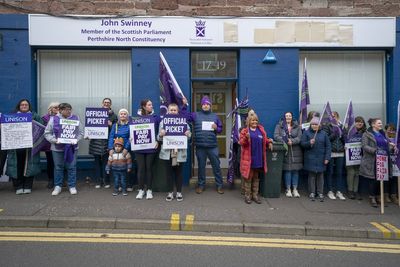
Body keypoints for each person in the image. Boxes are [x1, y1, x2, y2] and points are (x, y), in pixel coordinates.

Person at [187, 95, 224, 194]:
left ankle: (219, 185)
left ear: (210, 105)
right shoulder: (195, 115)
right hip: (200, 147)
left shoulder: (215, 116)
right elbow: (186, 117)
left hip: (213, 146)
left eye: (207, 104)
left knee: (216, 166)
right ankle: (201, 185)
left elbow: (220, 129)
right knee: (201, 167)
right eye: (204, 104)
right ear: (201, 105)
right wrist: (183, 105)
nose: (205, 106)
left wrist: (217, 127)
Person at [44, 103, 83, 196]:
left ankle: (72, 185)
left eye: (70, 109)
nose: (68, 111)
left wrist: (75, 140)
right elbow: (47, 133)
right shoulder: (53, 119)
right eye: (66, 109)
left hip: (72, 147)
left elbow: (81, 132)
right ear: (60, 110)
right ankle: (58, 186)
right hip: (57, 148)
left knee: (72, 166)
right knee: (58, 167)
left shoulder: (76, 118)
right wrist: (54, 140)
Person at [6, 99, 43, 194]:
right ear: (19, 106)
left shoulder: (35, 116)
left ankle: (27, 186)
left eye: (26, 104)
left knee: (29, 167)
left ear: (29, 106)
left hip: (30, 147)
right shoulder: (12, 116)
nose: (24, 106)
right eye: (22, 105)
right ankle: (18, 186)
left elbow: (41, 129)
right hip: (15, 148)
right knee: (16, 167)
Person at [158, 103, 191, 202]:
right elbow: (158, 138)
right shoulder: (163, 122)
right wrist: (161, 134)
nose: (172, 111)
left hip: (179, 152)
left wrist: (188, 134)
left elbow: (189, 136)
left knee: (178, 173)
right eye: (171, 110)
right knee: (168, 173)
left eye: (174, 110)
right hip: (167, 152)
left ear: (177, 111)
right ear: (168, 111)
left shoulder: (184, 122)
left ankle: (179, 192)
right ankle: (170, 192)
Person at [360, 118, 395, 207]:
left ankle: (379, 197)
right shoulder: (367, 134)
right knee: (373, 179)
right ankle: (372, 197)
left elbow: (386, 146)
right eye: (379, 123)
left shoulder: (383, 134)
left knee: (381, 179)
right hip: (372, 160)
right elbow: (364, 146)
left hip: (383, 160)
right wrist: (375, 151)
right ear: (373, 124)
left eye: (381, 123)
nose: (381, 124)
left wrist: (391, 147)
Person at [239, 113, 272, 204]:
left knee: (256, 177)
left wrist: (269, 142)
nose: (255, 122)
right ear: (249, 121)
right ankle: (247, 196)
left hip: (258, 157)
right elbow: (241, 142)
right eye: (253, 120)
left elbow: (264, 140)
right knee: (249, 177)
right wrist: (246, 138)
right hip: (249, 158)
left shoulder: (261, 130)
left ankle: (255, 195)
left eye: (256, 120)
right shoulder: (245, 131)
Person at [89, 98, 118, 189]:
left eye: (108, 103)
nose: (106, 104)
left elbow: (116, 130)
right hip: (96, 141)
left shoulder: (114, 116)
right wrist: (88, 133)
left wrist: (111, 125)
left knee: (107, 162)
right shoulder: (95, 114)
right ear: (102, 103)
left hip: (107, 141)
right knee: (97, 163)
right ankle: (98, 181)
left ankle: (106, 181)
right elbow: (90, 125)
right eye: (105, 102)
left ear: (110, 104)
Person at [301, 117, 331, 201]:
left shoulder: (324, 134)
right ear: (310, 125)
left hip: (321, 158)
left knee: (320, 176)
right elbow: (302, 144)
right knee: (312, 176)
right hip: (310, 158)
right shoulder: (306, 133)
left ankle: (320, 193)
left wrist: (327, 158)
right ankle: (312, 192)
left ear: (319, 125)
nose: (314, 126)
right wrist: (309, 143)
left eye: (316, 124)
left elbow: (328, 146)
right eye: (313, 124)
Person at [135, 99, 160, 200]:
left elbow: (159, 130)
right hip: (139, 148)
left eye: (151, 104)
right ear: (144, 107)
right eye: (149, 105)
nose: (151, 106)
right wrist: (132, 138)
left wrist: (158, 141)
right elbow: (133, 131)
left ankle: (149, 190)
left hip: (151, 147)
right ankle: (141, 190)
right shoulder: (136, 118)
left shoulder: (156, 118)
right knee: (141, 169)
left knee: (149, 168)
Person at [274, 112, 303, 198]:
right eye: (286, 116)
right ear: (284, 117)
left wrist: (292, 141)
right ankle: (288, 189)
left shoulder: (297, 127)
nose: (288, 117)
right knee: (287, 170)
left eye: (290, 116)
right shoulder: (279, 126)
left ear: (292, 117)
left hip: (296, 152)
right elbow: (276, 136)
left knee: (295, 170)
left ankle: (295, 189)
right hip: (285, 150)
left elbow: (299, 137)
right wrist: (285, 140)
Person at [324, 111, 346, 200]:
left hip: (340, 152)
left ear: (337, 117)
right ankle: (330, 191)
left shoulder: (342, 126)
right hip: (331, 152)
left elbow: (345, 139)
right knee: (330, 172)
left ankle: (339, 191)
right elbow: (326, 139)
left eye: (335, 116)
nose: (333, 118)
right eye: (332, 116)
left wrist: (343, 134)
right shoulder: (327, 126)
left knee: (339, 172)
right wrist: (334, 134)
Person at [345, 116, 366, 200]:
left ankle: (355, 191)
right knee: (351, 172)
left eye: (361, 122)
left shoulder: (365, 132)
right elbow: (343, 139)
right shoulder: (348, 131)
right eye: (357, 121)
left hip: (359, 155)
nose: (359, 123)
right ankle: (350, 191)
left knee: (357, 172)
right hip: (349, 155)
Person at [41, 102, 60, 189]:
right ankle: (51, 180)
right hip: (49, 144)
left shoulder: (63, 117)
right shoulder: (45, 118)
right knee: (50, 163)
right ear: (50, 109)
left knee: (61, 163)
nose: (57, 109)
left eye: (59, 107)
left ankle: (61, 180)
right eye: (55, 107)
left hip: (61, 144)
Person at [384, 123, 399, 204]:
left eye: (393, 130)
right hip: (386, 161)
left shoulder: (397, 139)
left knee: (394, 179)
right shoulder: (384, 139)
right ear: (386, 130)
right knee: (386, 178)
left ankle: (393, 195)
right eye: (389, 130)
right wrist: (390, 146)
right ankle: (385, 195)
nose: (391, 132)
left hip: (395, 162)